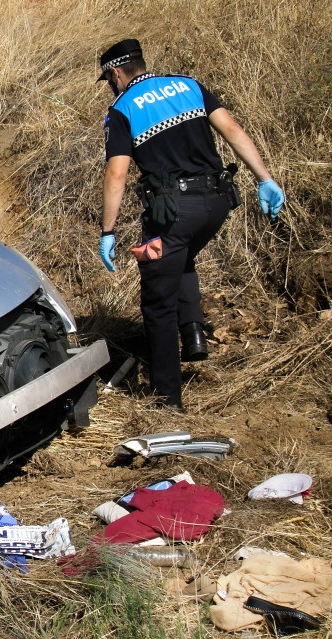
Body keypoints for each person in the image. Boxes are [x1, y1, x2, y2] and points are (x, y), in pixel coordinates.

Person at [96, 39, 285, 411]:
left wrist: (108, 231)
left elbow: (117, 174)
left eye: (107, 79)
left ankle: (168, 402)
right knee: (180, 256)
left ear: (116, 73)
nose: (109, 85)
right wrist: (264, 178)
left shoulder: (121, 109)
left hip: (173, 211)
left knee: (157, 304)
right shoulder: (188, 85)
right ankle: (193, 334)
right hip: (216, 203)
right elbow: (231, 129)